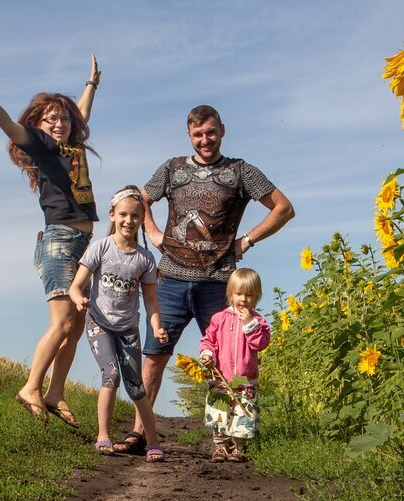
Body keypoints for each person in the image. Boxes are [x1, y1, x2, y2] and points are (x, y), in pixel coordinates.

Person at [110, 105, 294, 455]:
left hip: (219, 282)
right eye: (198, 134)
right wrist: (152, 230)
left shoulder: (241, 171)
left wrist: (247, 240)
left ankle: (228, 439)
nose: (205, 140)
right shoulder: (172, 168)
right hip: (171, 279)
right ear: (189, 136)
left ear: (222, 130)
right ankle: (140, 434)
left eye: (210, 132)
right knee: (154, 357)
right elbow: (138, 198)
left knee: (229, 359)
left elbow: (283, 208)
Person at [0, 58, 101, 428]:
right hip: (60, 242)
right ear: (38, 124)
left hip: (85, 241)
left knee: (78, 324)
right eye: (51, 118)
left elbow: (79, 115)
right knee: (63, 320)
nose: (60, 123)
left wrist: (91, 84)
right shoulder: (38, 143)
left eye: (63, 119)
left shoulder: (72, 148)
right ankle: (31, 387)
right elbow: (9, 125)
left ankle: (55, 392)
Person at [69, 187, 169, 463]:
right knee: (110, 375)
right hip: (98, 323)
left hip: (128, 329)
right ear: (112, 215)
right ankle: (103, 436)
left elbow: (150, 300)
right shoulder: (100, 248)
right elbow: (76, 286)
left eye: (135, 216)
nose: (128, 221)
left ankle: (152, 441)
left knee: (136, 386)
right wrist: (79, 300)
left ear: (141, 218)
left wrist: (157, 327)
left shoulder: (145, 259)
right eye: (123, 215)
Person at [198, 268, 271, 463]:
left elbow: (261, 344)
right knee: (220, 412)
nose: (243, 299)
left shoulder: (258, 321)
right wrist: (207, 355)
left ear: (257, 297)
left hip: (245, 379)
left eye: (249, 295)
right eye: (239, 294)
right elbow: (208, 341)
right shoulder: (219, 318)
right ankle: (221, 445)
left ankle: (239, 446)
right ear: (230, 294)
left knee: (243, 412)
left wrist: (249, 324)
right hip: (222, 377)